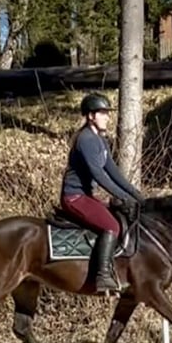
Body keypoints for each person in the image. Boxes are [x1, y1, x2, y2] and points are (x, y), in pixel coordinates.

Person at [59, 92, 146, 294]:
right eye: (103, 113)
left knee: (120, 217)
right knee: (112, 226)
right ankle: (102, 275)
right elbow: (98, 175)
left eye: (108, 113)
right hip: (74, 197)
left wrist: (137, 195)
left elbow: (114, 173)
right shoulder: (86, 140)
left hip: (86, 197)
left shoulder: (100, 140)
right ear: (91, 116)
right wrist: (124, 197)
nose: (108, 117)